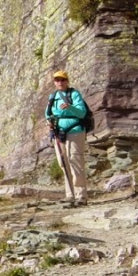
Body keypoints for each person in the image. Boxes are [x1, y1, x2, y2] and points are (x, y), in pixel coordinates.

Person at [45, 70, 92, 204]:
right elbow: (47, 114)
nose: (60, 82)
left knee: (75, 161)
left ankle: (81, 195)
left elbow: (82, 113)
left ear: (67, 81)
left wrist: (70, 107)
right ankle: (70, 195)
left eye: (62, 80)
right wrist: (49, 122)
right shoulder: (53, 97)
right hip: (58, 132)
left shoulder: (74, 94)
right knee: (63, 163)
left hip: (75, 130)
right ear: (54, 82)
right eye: (57, 80)